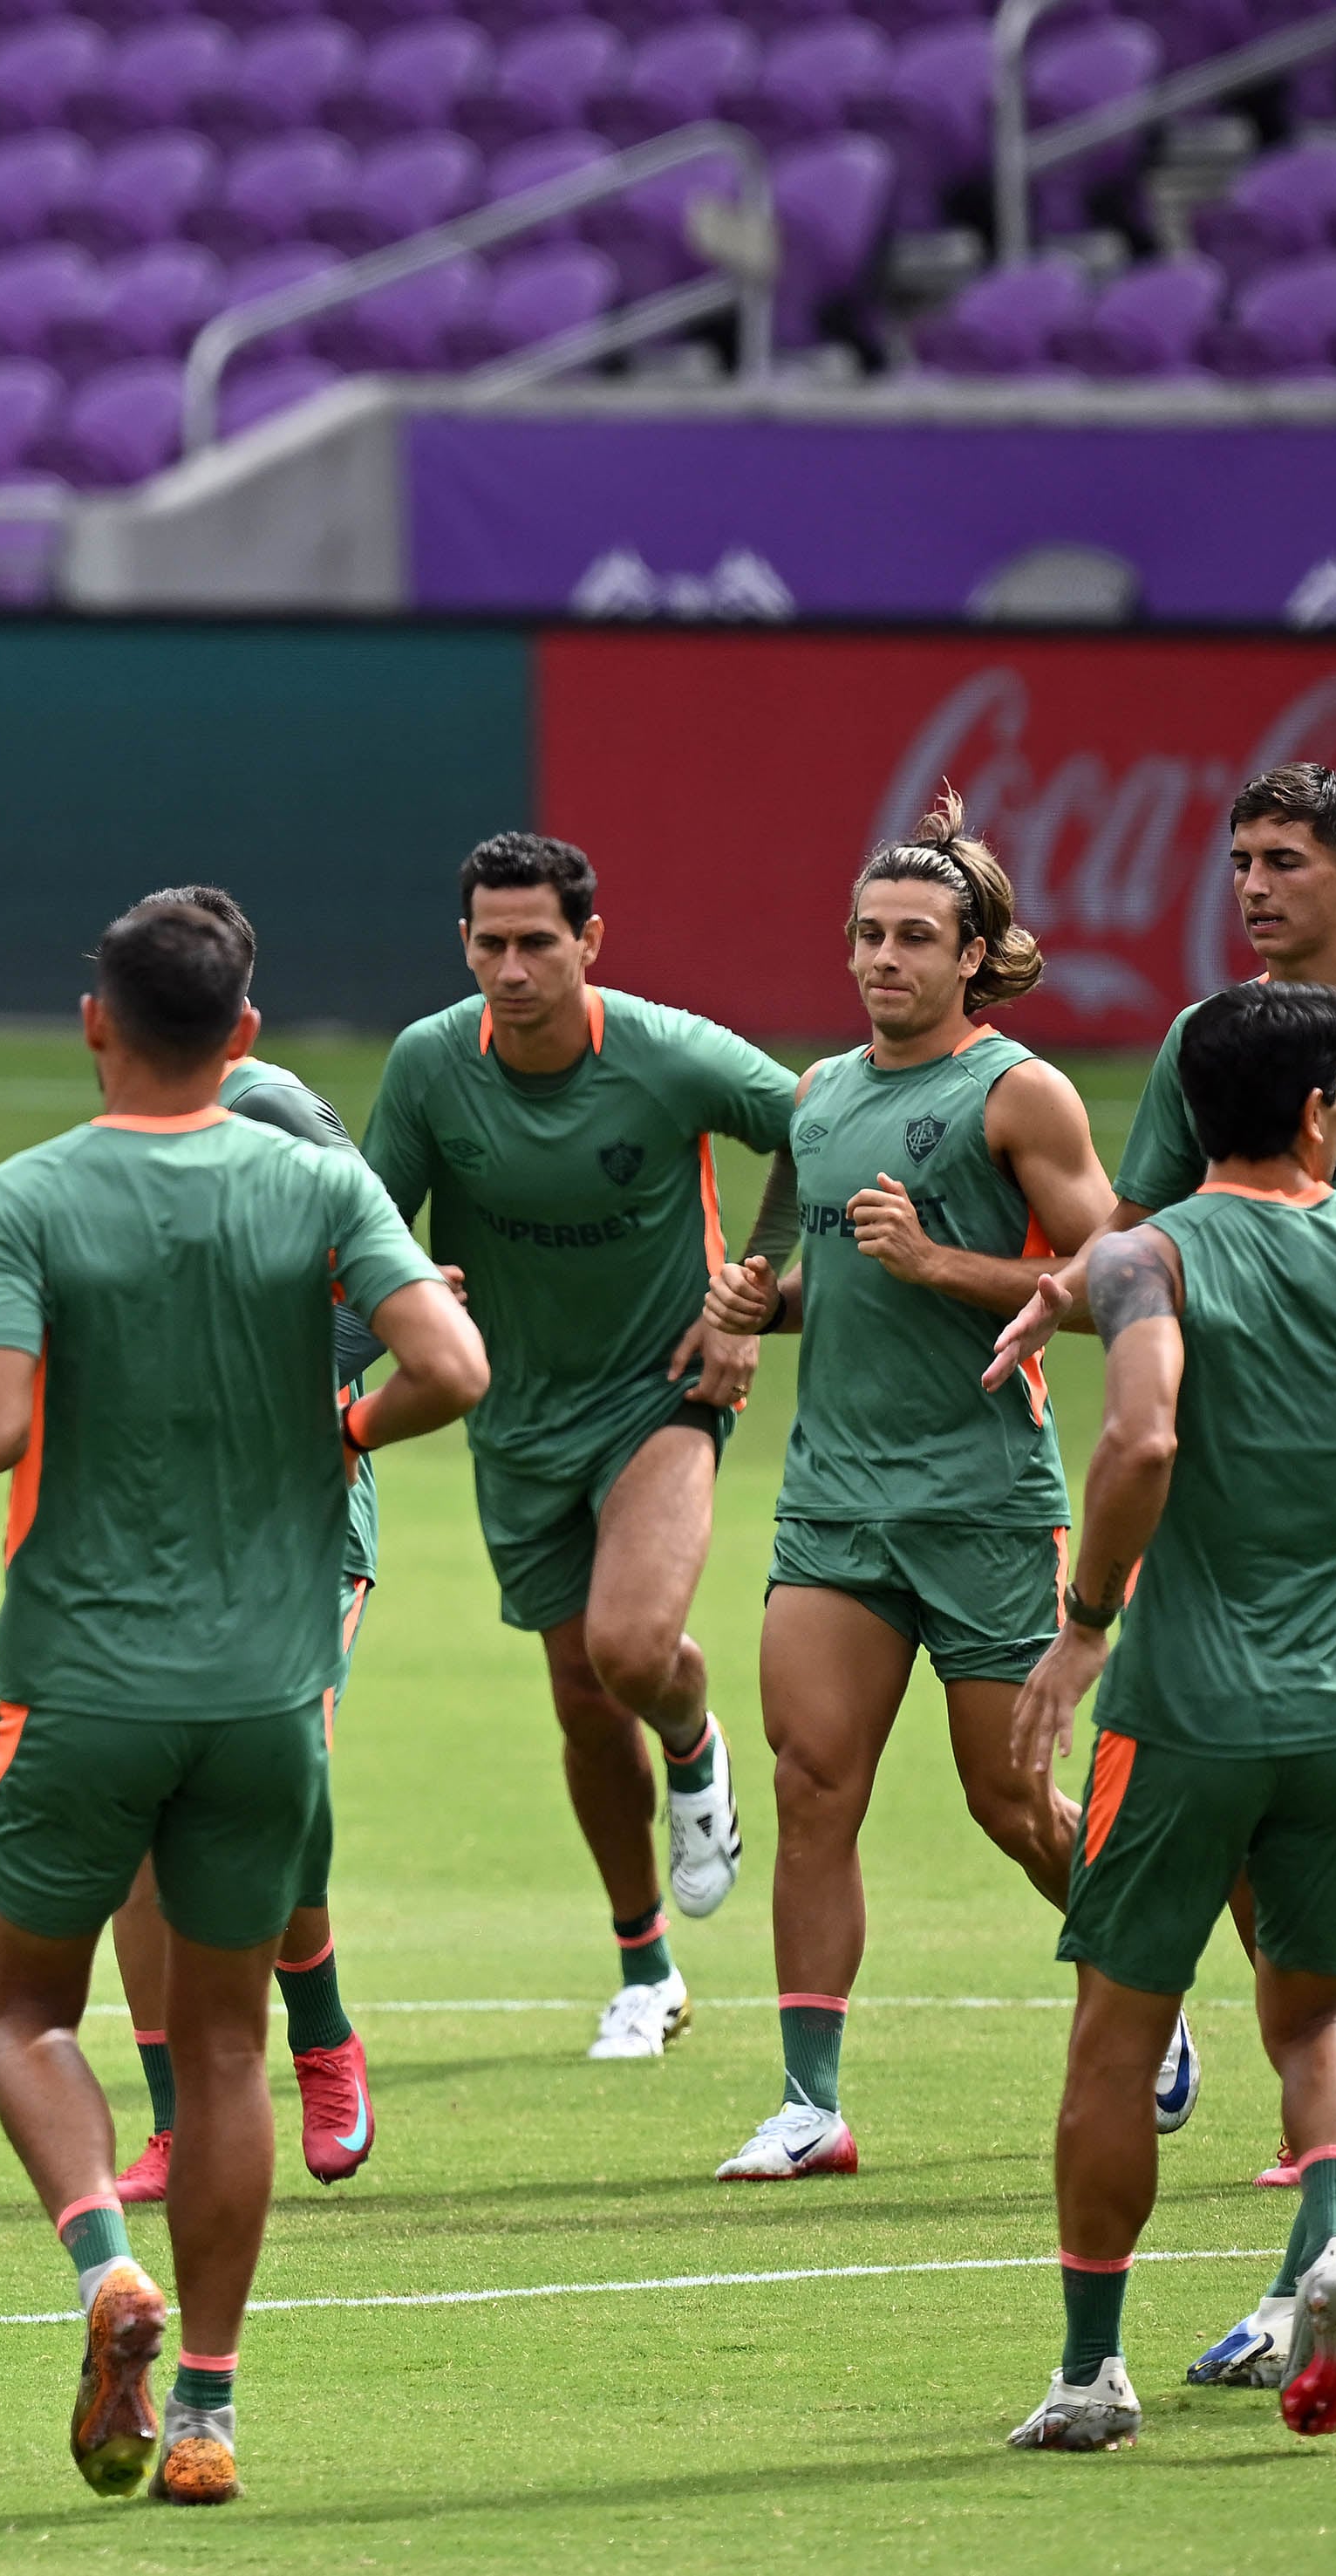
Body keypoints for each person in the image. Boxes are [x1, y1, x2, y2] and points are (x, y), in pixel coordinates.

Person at [0, 897, 488, 2504]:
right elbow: (451, 1367)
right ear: (245, 1038)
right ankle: (205, 2411)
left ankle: (107, 2268)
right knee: (234, 2049)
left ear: (93, 1024)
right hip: (265, 1687)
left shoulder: (26, 1194)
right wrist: (338, 1424)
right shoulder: (319, 1180)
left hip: (80, 1678)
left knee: (23, 2012)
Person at [996, 983, 1336, 2452]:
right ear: (1314, 1110)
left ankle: (1091, 2375)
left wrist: (1081, 1624)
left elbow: (1142, 1428)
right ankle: (1334, 2240)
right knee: (1317, 2016)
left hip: (1185, 1707)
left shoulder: (1157, 1257)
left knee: (1115, 2032)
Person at [696, 800, 1114, 2183]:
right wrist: (758, 1299)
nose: (882, 957)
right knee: (813, 1785)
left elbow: (1117, 1280)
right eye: (867, 934)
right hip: (832, 1504)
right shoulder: (815, 1096)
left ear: (972, 951)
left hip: (983, 1498)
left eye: (913, 937)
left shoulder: (1018, 1093)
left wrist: (945, 1265)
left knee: (1011, 1805)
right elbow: (796, 1259)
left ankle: (1138, 1985)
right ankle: (809, 2100)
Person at [365, 833, 794, 2062]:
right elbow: (364, 1216)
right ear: (463, 945)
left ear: (588, 943)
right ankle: (643, 1966)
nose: (509, 967)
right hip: (509, 1414)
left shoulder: (665, 1054)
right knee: (577, 1695)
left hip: (659, 1390)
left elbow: (813, 1121)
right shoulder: (430, 1066)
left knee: (628, 1645)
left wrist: (747, 1293)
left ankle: (695, 1738)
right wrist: (402, 1283)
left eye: (535, 943)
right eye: (488, 943)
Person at [1023, 763, 1336, 2179]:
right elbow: (1131, 1225)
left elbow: (1138, 1412)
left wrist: (1082, 1620)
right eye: (1239, 858)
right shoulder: (1205, 1037)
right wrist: (1060, 1294)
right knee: (1303, 1879)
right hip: (1273, 1483)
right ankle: (1333, 2191)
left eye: (1283, 859)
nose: (1251, 883)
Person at [92, 891, 389, 2207]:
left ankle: (320, 2037)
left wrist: (313, 1406)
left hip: (297, 1521)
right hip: (156, 1533)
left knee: (271, 1782)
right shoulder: (99, 1152)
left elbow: (403, 1295)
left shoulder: (271, 1109)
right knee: (140, 1826)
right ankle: (173, 2122)